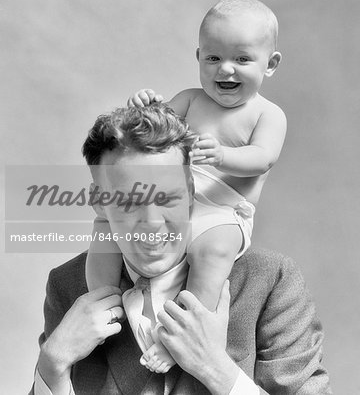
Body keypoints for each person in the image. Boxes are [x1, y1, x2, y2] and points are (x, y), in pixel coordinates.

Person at [31, 104, 331, 394]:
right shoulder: (66, 285)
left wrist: (215, 369)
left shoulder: (270, 280)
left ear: (190, 192)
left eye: (166, 198)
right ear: (98, 201)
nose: (152, 223)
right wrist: (52, 364)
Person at [88, 0, 287, 372]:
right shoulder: (190, 99)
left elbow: (264, 157)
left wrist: (223, 156)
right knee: (105, 226)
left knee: (212, 254)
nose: (225, 70)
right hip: (174, 203)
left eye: (242, 59)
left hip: (224, 210)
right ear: (199, 58)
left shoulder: (267, 114)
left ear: (270, 64)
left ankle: (179, 334)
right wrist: (142, 107)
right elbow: (150, 134)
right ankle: (100, 304)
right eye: (213, 58)